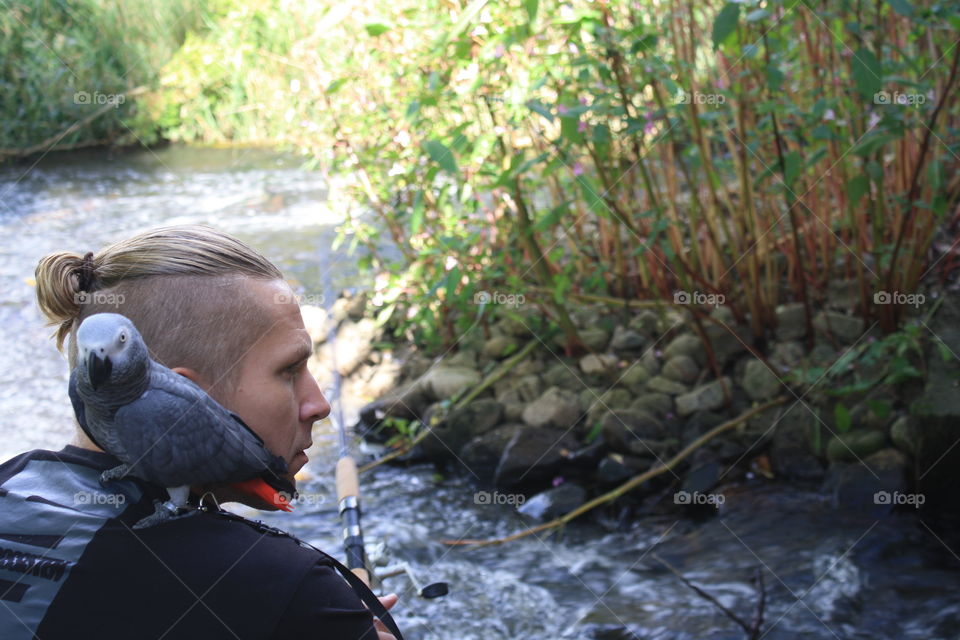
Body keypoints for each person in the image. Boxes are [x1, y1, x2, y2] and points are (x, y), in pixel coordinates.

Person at [0, 224, 401, 639]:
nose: (320, 405)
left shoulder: (10, 479)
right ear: (188, 401)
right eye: (289, 370)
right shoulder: (286, 588)